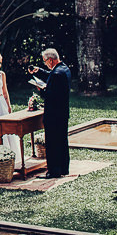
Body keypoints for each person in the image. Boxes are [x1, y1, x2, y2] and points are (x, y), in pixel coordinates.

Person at [32, 48, 72, 178]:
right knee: (62, 141)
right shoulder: (64, 69)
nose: (45, 64)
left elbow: (50, 95)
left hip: (54, 114)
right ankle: (63, 168)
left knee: (53, 143)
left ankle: (54, 171)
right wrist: (39, 71)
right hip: (63, 112)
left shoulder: (56, 74)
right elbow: (51, 75)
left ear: (50, 60)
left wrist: (41, 90)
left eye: (45, 61)